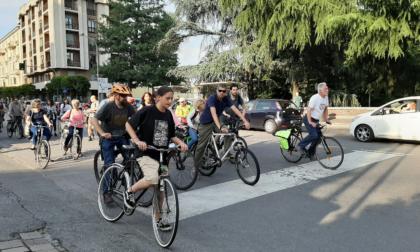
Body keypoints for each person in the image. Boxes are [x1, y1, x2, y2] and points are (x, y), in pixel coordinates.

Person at [124, 86, 188, 230]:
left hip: (161, 154)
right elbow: (129, 124)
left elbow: (171, 135)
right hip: (145, 152)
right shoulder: (148, 110)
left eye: (172, 99)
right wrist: (136, 140)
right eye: (167, 98)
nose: (170, 101)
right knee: (153, 178)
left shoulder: (169, 115)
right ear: (158, 97)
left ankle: (158, 220)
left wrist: (181, 143)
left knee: (160, 189)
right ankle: (129, 191)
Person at [91, 84, 136, 203]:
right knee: (109, 165)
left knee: (130, 161)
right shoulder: (108, 106)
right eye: (122, 95)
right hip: (108, 138)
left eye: (126, 96)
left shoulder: (128, 106)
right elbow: (94, 120)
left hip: (122, 137)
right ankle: (106, 192)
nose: (125, 98)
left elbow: (137, 118)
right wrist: (102, 133)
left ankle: (127, 187)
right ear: (115, 95)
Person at [194, 83, 250, 169]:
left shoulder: (226, 99)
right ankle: (195, 167)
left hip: (216, 121)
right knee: (201, 146)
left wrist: (245, 121)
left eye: (224, 91)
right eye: (220, 91)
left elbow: (235, 109)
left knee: (228, 132)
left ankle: (226, 152)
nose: (222, 93)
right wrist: (220, 127)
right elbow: (213, 114)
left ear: (226, 92)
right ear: (217, 90)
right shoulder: (212, 98)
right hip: (206, 123)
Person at [297, 83, 332, 161]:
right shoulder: (315, 98)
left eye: (327, 89)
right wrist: (310, 122)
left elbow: (326, 108)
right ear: (320, 90)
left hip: (316, 120)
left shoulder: (326, 97)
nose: (327, 90)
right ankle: (300, 145)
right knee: (314, 135)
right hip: (309, 118)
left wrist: (326, 119)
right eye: (325, 89)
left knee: (319, 138)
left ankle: (310, 154)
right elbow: (309, 110)